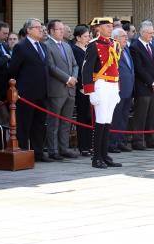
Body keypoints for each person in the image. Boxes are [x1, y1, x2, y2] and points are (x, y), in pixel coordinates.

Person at [81, 17, 123, 168]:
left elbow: (116, 68)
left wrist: (117, 89)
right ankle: (96, 157)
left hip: (112, 85)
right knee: (100, 121)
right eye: (106, 26)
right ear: (98, 28)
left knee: (107, 121)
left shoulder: (114, 44)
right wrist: (90, 91)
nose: (110, 28)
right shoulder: (93, 45)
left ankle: (104, 155)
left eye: (111, 26)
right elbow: (86, 69)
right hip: (100, 84)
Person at [9, 18, 52, 163]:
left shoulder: (43, 46)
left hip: (42, 93)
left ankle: (38, 153)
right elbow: (13, 69)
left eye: (41, 27)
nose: (41, 30)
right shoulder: (21, 46)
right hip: (26, 94)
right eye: (37, 27)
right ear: (28, 30)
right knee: (24, 125)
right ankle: (23, 154)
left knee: (39, 125)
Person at [44, 20, 79, 160]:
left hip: (71, 88)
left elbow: (75, 64)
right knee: (54, 122)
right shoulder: (46, 46)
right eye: (58, 29)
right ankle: (53, 150)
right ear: (51, 31)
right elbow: (51, 67)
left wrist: (74, 78)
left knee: (66, 121)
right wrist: (67, 79)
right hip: (57, 88)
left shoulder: (67, 45)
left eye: (62, 29)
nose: (61, 31)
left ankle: (64, 148)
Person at [129, 21, 154, 149]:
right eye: (150, 33)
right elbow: (139, 68)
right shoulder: (135, 47)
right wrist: (152, 82)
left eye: (153, 33)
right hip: (143, 87)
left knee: (153, 115)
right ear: (142, 33)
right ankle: (138, 141)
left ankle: (152, 140)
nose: (152, 35)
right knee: (141, 115)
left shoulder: (153, 45)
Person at [109, 27, 134, 153]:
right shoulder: (112, 50)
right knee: (116, 117)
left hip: (128, 89)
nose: (126, 38)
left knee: (124, 117)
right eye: (123, 36)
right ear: (116, 38)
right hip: (117, 90)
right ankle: (112, 143)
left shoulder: (126, 49)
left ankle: (121, 141)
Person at [72, 25, 92, 156]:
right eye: (85, 36)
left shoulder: (87, 49)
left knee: (90, 117)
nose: (88, 38)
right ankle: (83, 146)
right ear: (78, 37)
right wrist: (81, 86)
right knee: (82, 117)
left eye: (88, 36)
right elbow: (76, 69)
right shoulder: (74, 50)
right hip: (81, 89)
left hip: (91, 88)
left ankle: (90, 145)